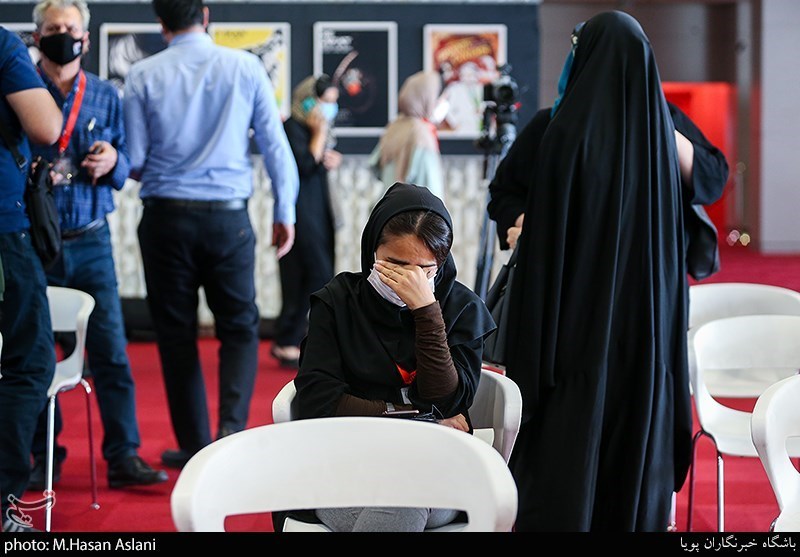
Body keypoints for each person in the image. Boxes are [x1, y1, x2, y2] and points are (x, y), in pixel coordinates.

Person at [488, 11, 695, 531]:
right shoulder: (661, 147)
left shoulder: (567, 134)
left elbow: (545, 258)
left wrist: (530, 360)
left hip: (574, 339)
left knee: (568, 467)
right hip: (645, 340)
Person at [123, 0, 299, 469]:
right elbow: (275, 148)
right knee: (239, 328)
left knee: (175, 333)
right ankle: (230, 438)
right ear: (205, 15)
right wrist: (284, 212)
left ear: (161, 23)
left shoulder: (142, 75)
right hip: (228, 220)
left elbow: (134, 159)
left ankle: (195, 446)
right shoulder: (246, 67)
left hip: (165, 219)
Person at [289, 181, 495, 532]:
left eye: (423, 270)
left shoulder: (462, 308)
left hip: (435, 469)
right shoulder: (337, 302)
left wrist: (427, 311)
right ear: (373, 250)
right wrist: (422, 421)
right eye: (396, 265)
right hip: (348, 463)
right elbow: (318, 401)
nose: (407, 281)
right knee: (401, 501)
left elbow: (447, 400)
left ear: (441, 264)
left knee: (406, 493)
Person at [28, 0, 168, 491]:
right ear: (37, 36)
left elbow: (128, 160)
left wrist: (112, 160)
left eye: (70, 28)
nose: (62, 35)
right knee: (34, 354)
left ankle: (123, 454)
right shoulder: (21, 91)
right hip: (35, 242)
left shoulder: (107, 94)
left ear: (85, 38)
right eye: (52, 27)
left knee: (110, 351)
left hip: (91, 240)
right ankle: (44, 456)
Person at [0, 25, 63, 533]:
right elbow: (46, 126)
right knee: (29, 362)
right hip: (3, 232)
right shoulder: (3, 45)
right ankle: (3, 499)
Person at [271, 75, 342, 369]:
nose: (329, 110)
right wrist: (319, 133)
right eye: (325, 102)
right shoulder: (292, 127)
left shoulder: (315, 128)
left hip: (317, 209)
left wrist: (331, 159)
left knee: (316, 273)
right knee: (306, 274)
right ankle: (289, 340)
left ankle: (293, 339)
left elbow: (316, 163)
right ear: (309, 101)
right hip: (298, 212)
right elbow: (302, 164)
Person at [369, 71, 447, 200]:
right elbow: (432, 190)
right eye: (437, 98)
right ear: (426, 98)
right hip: (415, 208)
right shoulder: (421, 133)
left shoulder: (393, 127)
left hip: (389, 205)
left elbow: (376, 168)